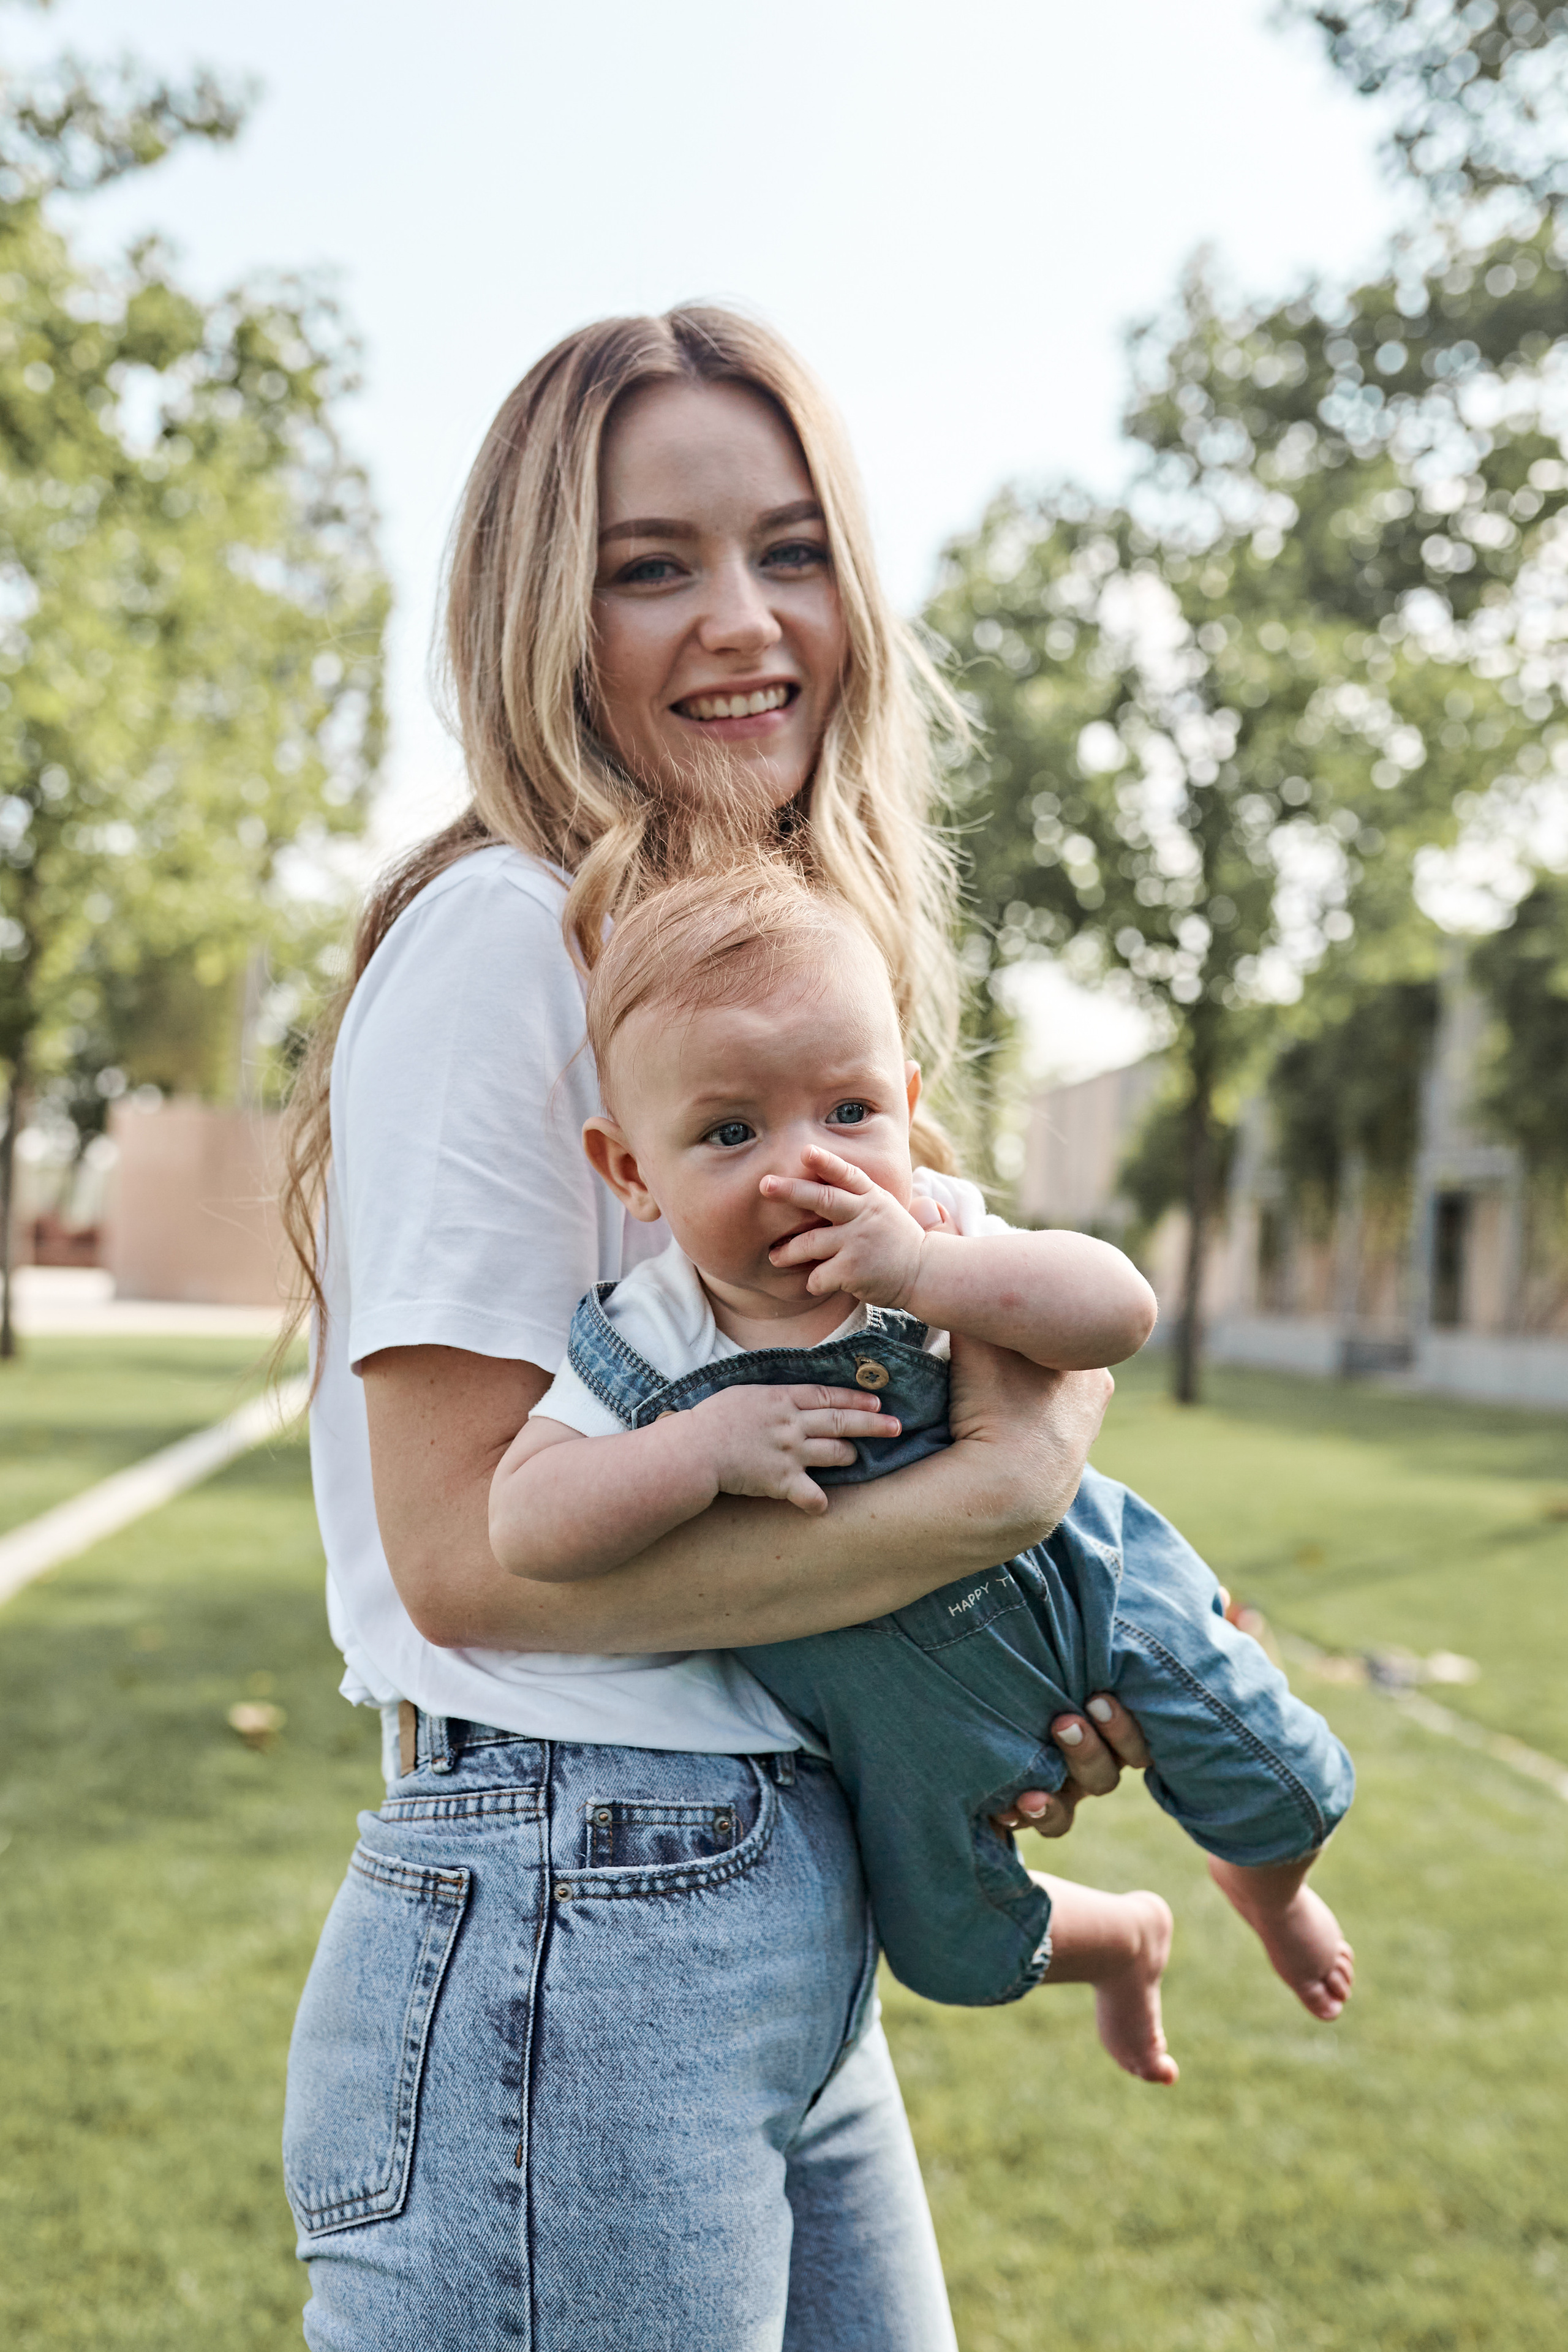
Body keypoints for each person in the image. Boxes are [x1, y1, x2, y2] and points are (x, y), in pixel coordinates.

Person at [277, 306, 1152, 2352]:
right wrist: (997, 1502)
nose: (744, 622)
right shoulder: (515, 934)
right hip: (576, 1909)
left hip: (759, 1890)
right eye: (651, 566)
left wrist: (1003, 1673)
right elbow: (465, 1559)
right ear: (540, 619)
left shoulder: (753, 979)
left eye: (792, 550)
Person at [489, 861, 1357, 2089]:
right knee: (949, 1949)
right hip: (893, 1728)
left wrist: (927, 1277)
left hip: (1090, 1601)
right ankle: (1120, 1940)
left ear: (905, 1103)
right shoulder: (655, 1338)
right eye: (731, 1132)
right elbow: (522, 1525)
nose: (805, 1166)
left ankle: (1267, 1894)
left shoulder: (939, 1229)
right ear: (631, 1170)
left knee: (1278, 1780)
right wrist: (695, 1449)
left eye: (848, 1112)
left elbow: (1117, 1311)